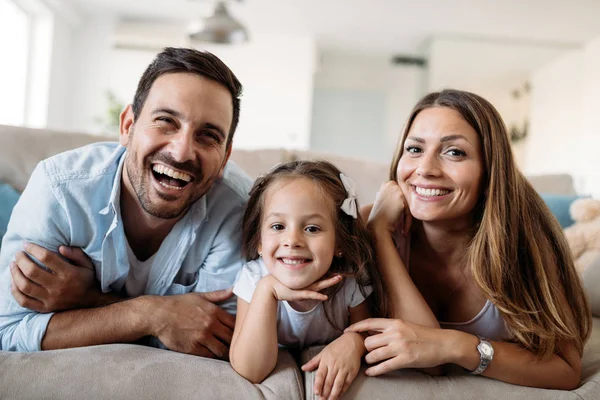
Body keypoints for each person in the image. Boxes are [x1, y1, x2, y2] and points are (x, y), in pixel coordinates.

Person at [0, 47, 253, 358]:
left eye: (208, 135)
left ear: (225, 157)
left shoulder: (238, 209)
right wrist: (151, 315)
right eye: (166, 122)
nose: (182, 151)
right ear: (127, 126)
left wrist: (88, 299)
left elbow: (215, 340)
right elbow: (8, 331)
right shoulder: (60, 189)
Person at [345, 89, 592, 390]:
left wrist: (456, 345)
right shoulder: (375, 224)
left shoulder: (525, 240)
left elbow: (565, 370)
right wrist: (379, 235)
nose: (425, 169)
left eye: (454, 152)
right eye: (414, 149)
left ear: (489, 172)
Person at [229, 160, 385, 400]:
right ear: (260, 241)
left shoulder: (349, 280)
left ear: (340, 243)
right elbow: (251, 370)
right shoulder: (254, 278)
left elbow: (368, 332)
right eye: (278, 226)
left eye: (312, 229)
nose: (292, 240)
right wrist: (267, 290)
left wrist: (353, 341)